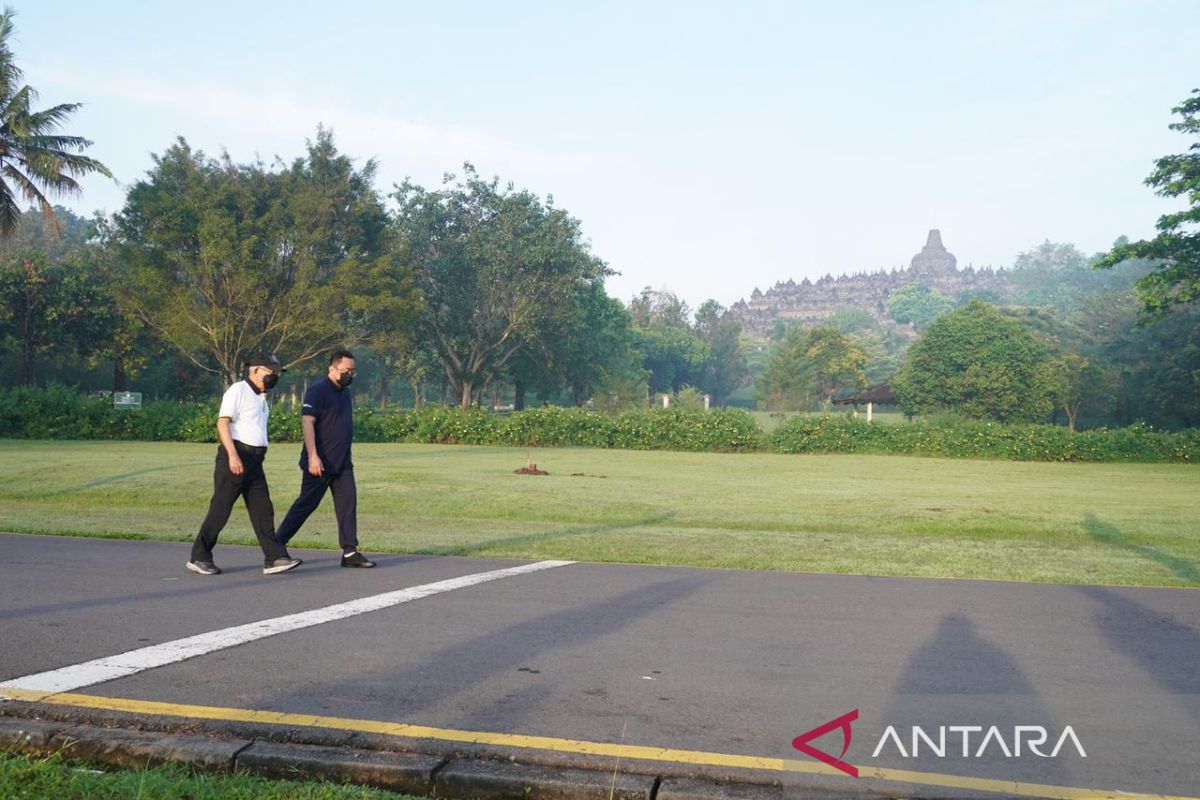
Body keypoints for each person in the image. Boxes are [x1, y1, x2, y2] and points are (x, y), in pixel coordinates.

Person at [188, 352, 303, 576]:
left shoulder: (261, 396)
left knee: (263, 509)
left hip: (255, 461)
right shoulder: (238, 390)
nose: (275, 376)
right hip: (236, 457)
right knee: (220, 509)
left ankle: (274, 558)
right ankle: (199, 556)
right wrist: (233, 456)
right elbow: (223, 424)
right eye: (271, 372)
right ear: (257, 370)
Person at [274, 348, 375, 568]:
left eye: (352, 371)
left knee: (348, 504)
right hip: (319, 463)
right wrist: (313, 456)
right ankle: (276, 545)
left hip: (342, 463)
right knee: (306, 504)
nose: (349, 374)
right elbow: (308, 422)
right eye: (345, 370)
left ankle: (350, 552)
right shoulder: (318, 390)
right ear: (332, 368)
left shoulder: (345, 394)